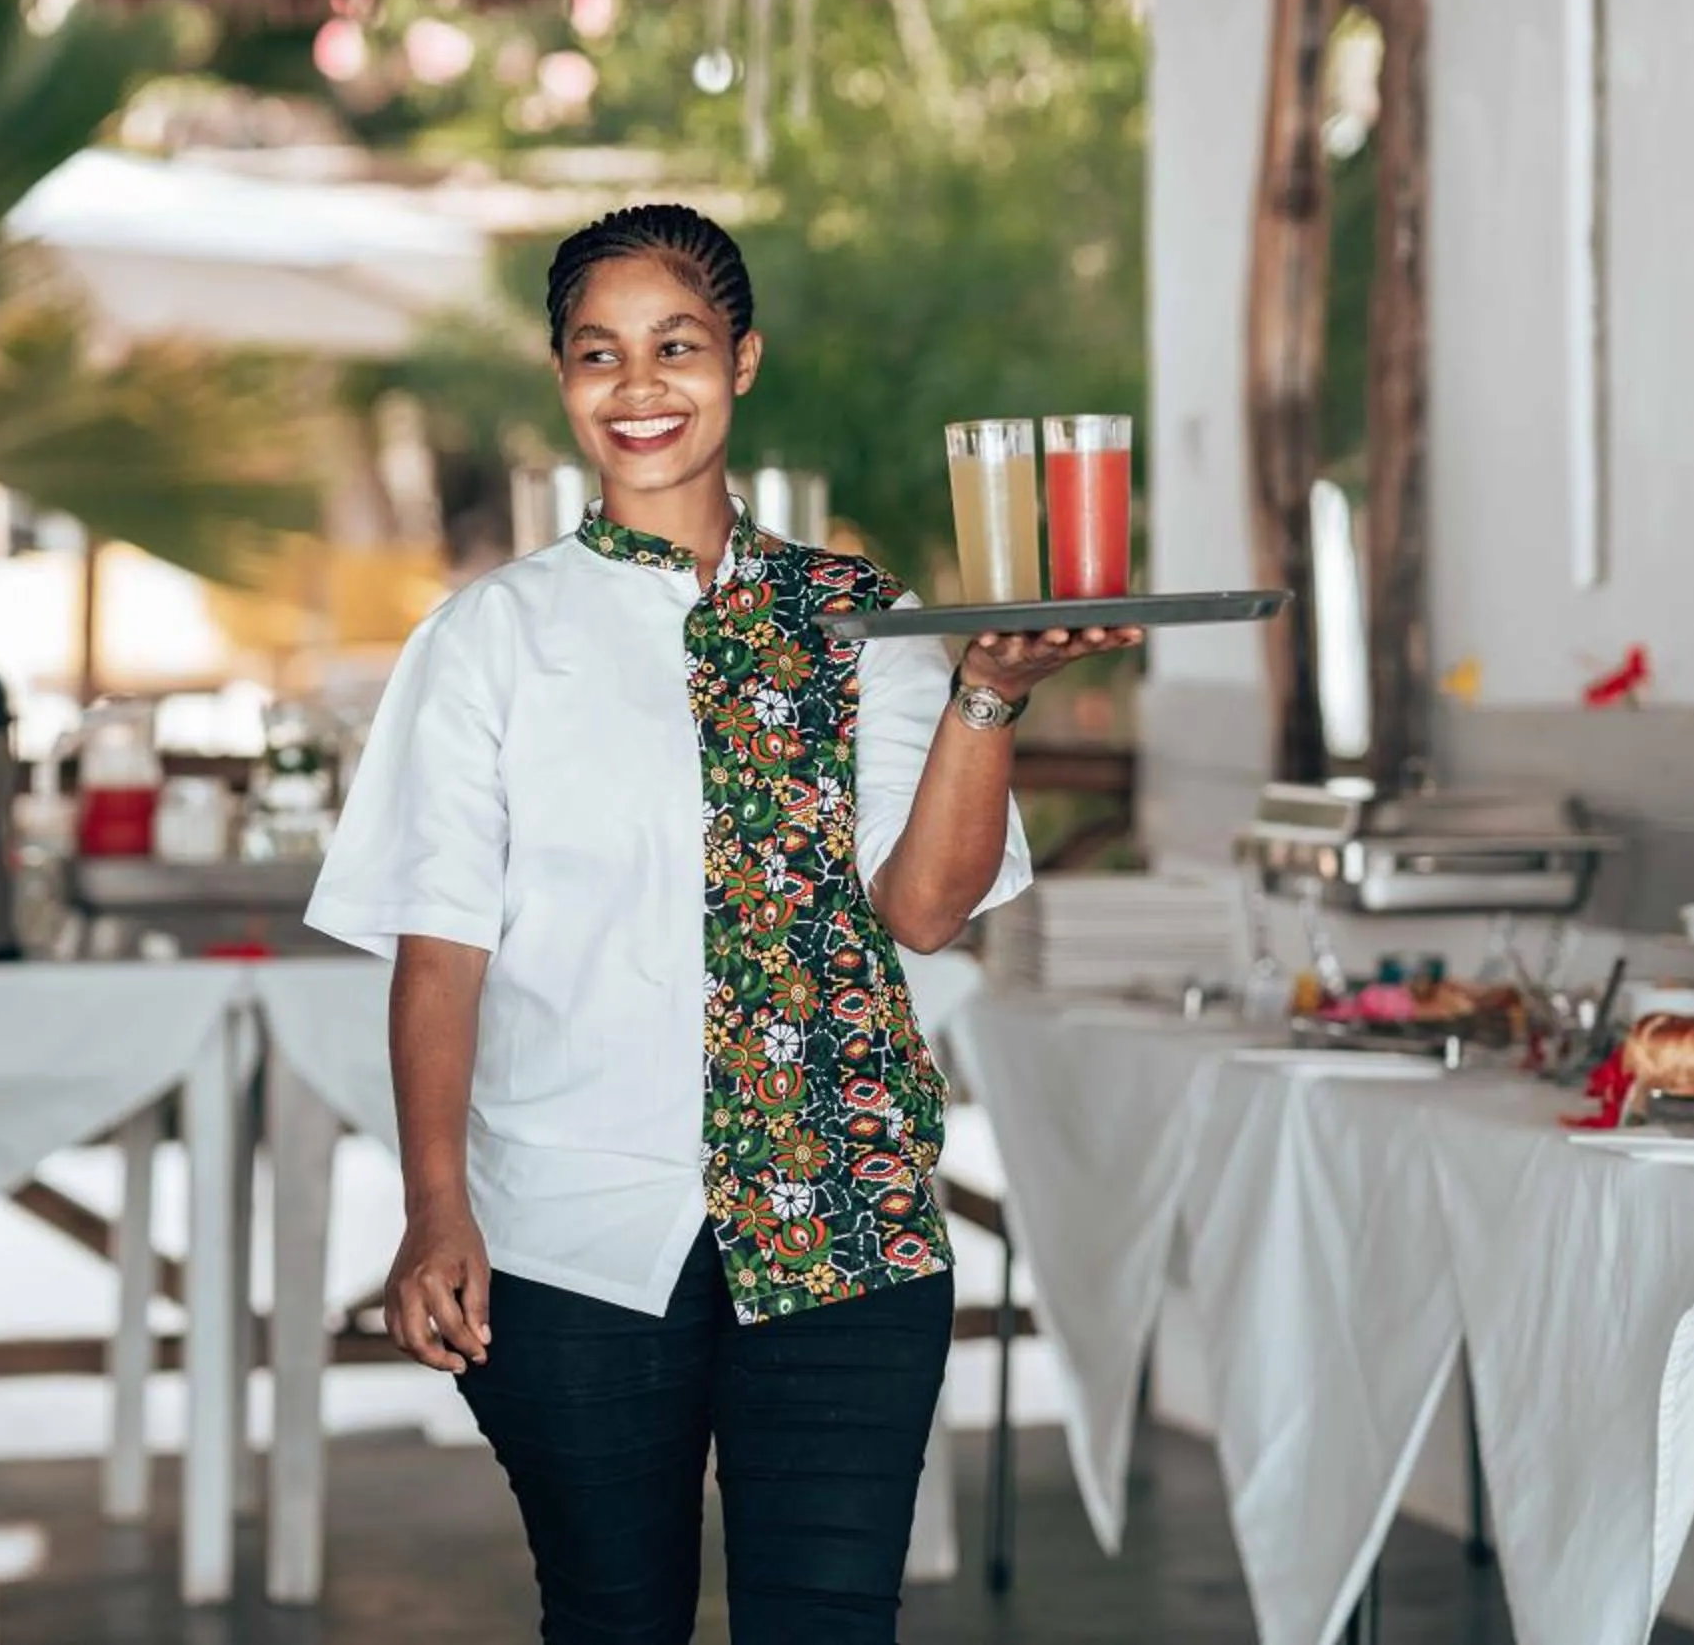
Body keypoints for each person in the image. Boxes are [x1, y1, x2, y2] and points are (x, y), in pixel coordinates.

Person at [307, 203, 1138, 1643]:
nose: (639, 386)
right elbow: (441, 951)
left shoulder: (857, 617)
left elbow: (925, 908)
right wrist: (435, 1205)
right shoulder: (492, 638)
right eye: (598, 353)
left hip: (847, 1230)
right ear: (563, 379)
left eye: (676, 345)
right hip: (567, 1237)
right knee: (612, 1620)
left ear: (741, 361)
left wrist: (988, 689)